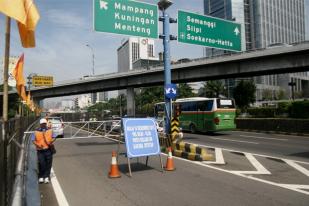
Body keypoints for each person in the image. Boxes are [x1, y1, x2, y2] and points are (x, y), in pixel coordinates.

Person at [32, 118, 56, 184]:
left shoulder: (50, 130)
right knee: (41, 163)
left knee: (48, 164)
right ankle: (41, 176)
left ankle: (46, 177)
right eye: (42, 124)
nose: (43, 125)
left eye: (44, 123)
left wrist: (51, 141)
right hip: (40, 150)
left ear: (46, 124)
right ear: (40, 124)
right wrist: (37, 145)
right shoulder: (36, 131)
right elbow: (33, 140)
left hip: (48, 149)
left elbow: (54, 137)